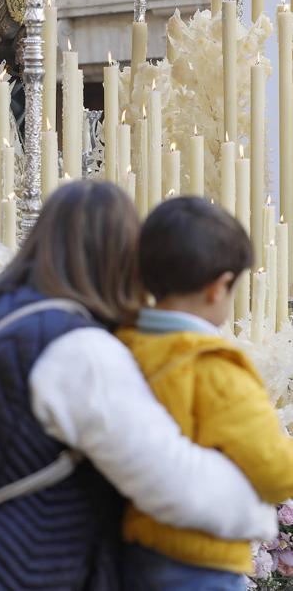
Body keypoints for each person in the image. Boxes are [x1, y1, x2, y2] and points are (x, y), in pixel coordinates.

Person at [0, 181, 275, 591]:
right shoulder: (78, 351)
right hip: (4, 570)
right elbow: (173, 483)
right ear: (119, 260)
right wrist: (259, 509)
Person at [118, 196, 293, 590]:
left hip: (131, 550)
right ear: (219, 288)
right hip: (200, 558)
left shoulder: (122, 347)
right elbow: (273, 470)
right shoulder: (215, 367)